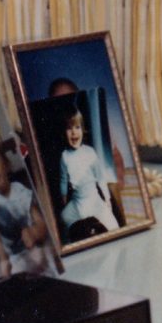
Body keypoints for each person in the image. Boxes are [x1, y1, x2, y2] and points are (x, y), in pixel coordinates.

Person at [0, 115, 52, 276]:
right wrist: (4, 265)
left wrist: (33, 232)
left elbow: (41, 224)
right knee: (17, 276)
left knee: (43, 263)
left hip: (33, 249)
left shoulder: (21, 191)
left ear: (7, 164)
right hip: (16, 259)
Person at [58, 102, 120, 240]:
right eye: (69, 128)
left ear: (83, 129)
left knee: (114, 227)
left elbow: (100, 178)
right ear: (64, 132)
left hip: (93, 200)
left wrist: (107, 200)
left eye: (77, 127)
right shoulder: (65, 156)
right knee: (62, 218)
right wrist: (64, 199)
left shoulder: (90, 152)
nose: (74, 132)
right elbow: (63, 180)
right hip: (77, 202)